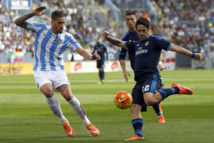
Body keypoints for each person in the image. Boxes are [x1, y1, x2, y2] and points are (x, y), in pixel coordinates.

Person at [102, 17, 203, 141]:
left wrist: (193, 55)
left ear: (148, 29)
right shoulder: (136, 43)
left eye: (144, 30)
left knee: (149, 100)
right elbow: (120, 43)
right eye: (139, 31)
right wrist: (108, 38)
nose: (141, 33)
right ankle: (138, 134)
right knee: (134, 107)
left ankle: (176, 89)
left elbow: (175, 48)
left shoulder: (156, 40)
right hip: (139, 80)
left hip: (151, 76)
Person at [15, 6, 100, 137]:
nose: (62, 25)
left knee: (68, 96)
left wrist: (90, 56)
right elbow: (17, 22)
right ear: (52, 22)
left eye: (64, 23)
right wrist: (32, 13)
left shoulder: (67, 37)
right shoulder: (41, 28)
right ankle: (63, 120)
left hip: (58, 70)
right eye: (60, 23)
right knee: (48, 92)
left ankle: (87, 122)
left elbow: (81, 50)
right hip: (41, 70)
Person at [119, 11, 165, 124]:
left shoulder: (144, 32)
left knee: (153, 93)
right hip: (138, 71)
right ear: (125, 21)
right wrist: (124, 70)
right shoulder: (125, 37)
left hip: (150, 68)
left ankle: (160, 115)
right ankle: (139, 123)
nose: (130, 22)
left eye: (132, 19)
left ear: (136, 20)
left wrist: (159, 62)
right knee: (143, 98)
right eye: (128, 19)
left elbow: (155, 47)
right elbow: (121, 56)